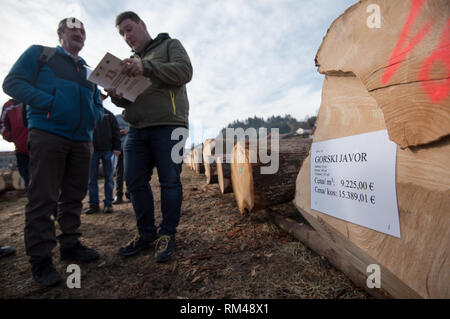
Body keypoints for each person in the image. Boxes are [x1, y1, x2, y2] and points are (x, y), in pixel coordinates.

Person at [2, 17, 104, 288]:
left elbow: (97, 102)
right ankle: (41, 260)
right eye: (72, 29)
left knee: (73, 197)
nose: (78, 33)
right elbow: (12, 82)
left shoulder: (88, 70)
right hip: (48, 134)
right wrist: (50, 102)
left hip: (82, 140)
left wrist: (94, 115)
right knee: (43, 198)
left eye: (82, 30)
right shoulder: (40, 54)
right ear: (60, 34)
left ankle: (70, 245)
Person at [108, 11, 192, 262]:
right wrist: (115, 93)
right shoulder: (128, 62)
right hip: (137, 129)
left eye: (129, 29)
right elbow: (126, 100)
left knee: (170, 181)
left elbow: (184, 72)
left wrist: (146, 66)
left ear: (142, 25)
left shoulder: (170, 45)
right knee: (133, 181)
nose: (126, 36)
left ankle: (167, 234)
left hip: (171, 125)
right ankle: (146, 234)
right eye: (122, 33)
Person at [85, 94, 121, 214]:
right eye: (97, 97)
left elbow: (116, 132)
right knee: (92, 179)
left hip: (108, 150)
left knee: (109, 178)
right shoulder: (88, 114)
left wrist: (117, 147)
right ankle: (94, 204)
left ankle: (108, 204)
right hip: (92, 151)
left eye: (101, 97)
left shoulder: (109, 115)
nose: (99, 99)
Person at [0, 99, 29, 191]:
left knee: (47, 184)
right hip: (22, 153)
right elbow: (2, 125)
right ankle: (34, 204)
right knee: (29, 184)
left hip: (43, 151)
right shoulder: (9, 106)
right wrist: (11, 137)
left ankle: (52, 205)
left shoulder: (37, 99)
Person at [112, 113, 130, 204]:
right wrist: (120, 132)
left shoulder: (134, 117)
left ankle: (129, 193)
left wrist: (128, 131)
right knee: (120, 172)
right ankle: (118, 195)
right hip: (120, 148)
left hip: (131, 149)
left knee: (130, 171)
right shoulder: (117, 118)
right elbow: (112, 130)